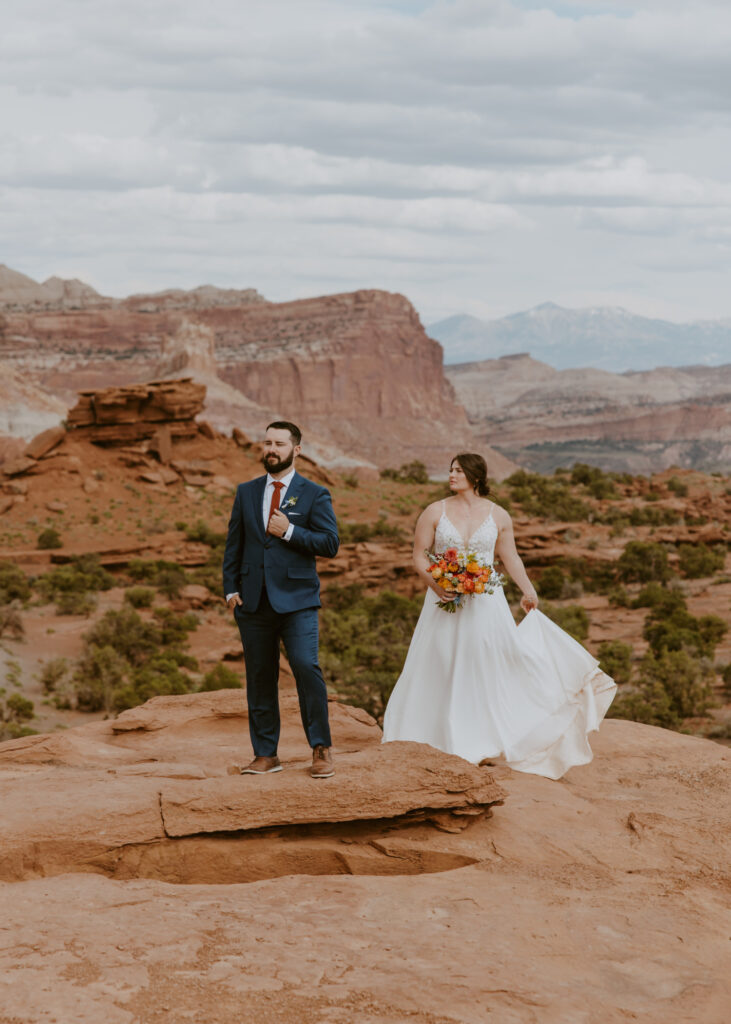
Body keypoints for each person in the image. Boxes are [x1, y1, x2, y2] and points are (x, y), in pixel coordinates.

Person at [382, 453, 617, 779]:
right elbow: (419, 555)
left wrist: (528, 589)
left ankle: (484, 733)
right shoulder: (434, 511)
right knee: (440, 659)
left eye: (459, 471)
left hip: (486, 602)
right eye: (451, 470)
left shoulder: (499, 515)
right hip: (442, 599)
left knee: (488, 660)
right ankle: (434, 733)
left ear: (475, 476)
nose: (452, 475)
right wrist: (436, 585)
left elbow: (511, 557)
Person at [222, 421, 339, 778]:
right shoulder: (246, 491)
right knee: (260, 677)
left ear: (296, 450)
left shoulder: (314, 493)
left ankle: (320, 748)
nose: (270, 449)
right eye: (267, 442)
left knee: (305, 667)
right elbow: (234, 544)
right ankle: (265, 754)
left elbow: (329, 543)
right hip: (253, 602)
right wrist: (230, 588)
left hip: (298, 600)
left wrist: (288, 531)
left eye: (278, 443)